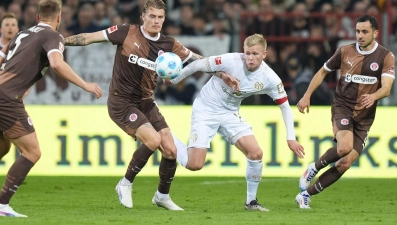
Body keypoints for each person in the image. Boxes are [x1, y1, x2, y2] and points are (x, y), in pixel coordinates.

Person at [63, 0, 238, 211]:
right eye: (152, 16)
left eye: (160, 17)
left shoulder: (169, 45)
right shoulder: (126, 32)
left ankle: (162, 196)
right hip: (121, 101)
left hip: (146, 102)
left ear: (164, 19)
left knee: (171, 150)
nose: (156, 21)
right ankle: (125, 183)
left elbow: (197, 60)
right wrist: (59, 43)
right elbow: (89, 38)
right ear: (143, 16)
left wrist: (221, 74)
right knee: (153, 140)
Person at [169, 33, 305, 211]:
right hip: (206, 109)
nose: (249, 58)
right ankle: (168, 139)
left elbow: (285, 107)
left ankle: (251, 202)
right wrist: (175, 78)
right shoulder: (231, 60)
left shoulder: (270, 78)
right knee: (194, 165)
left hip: (230, 112)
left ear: (264, 55)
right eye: (247, 53)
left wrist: (291, 137)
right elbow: (197, 64)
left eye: (255, 54)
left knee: (256, 153)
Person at [0, 0, 102, 217]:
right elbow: (56, 63)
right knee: (32, 152)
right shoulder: (52, 36)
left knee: (3, 148)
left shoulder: (22, 34)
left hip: (3, 93)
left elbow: (3, 59)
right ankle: (2, 204)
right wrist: (85, 85)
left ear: (38, 17)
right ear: (59, 18)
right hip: (7, 98)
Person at [295, 15, 395, 209]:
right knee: (344, 148)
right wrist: (307, 95)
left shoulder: (385, 56)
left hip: (365, 117)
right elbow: (323, 71)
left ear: (375, 33)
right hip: (343, 107)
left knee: (345, 163)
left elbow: (387, 88)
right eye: (357, 31)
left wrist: (374, 97)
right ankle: (313, 168)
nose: (360, 35)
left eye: (364, 32)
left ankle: (305, 195)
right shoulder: (345, 51)